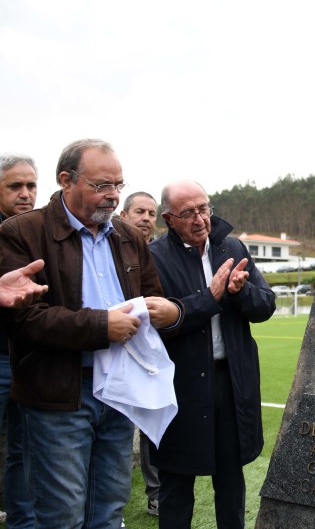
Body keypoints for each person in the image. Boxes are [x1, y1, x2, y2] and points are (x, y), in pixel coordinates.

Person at [0, 138, 181, 529]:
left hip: (119, 392)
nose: (113, 196)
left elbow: (153, 298)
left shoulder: (128, 236)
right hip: (58, 396)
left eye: (118, 185)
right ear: (66, 180)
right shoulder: (22, 232)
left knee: (109, 511)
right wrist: (102, 327)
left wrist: (169, 311)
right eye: (102, 185)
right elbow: (24, 320)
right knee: (61, 516)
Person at [148, 180, 275, 529]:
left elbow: (266, 306)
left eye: (204, 208)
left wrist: (239, 291)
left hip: (231, 382)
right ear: (168, 218)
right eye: (187, 212)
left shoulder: (232, 246)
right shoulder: (155, 258)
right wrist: (211, 296)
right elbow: (156, 324)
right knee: (176, 483)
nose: (199, 218)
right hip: (180, 387)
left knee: (231, 482)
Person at [0, 153, 38, 528]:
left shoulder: (35, 232)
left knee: (24, 452)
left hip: (28, 360)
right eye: (15, 186)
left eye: (30, 186)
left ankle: (22, 522)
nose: (25, 194)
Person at [119, 190, 161, 517]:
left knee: (147, 428)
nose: (146, 219)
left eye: (152, 213)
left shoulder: (156, 253)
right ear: (123, 214)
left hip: (147, 357)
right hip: (109, 355)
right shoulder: (109, 249)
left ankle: (156, 494)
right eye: (140, 212)